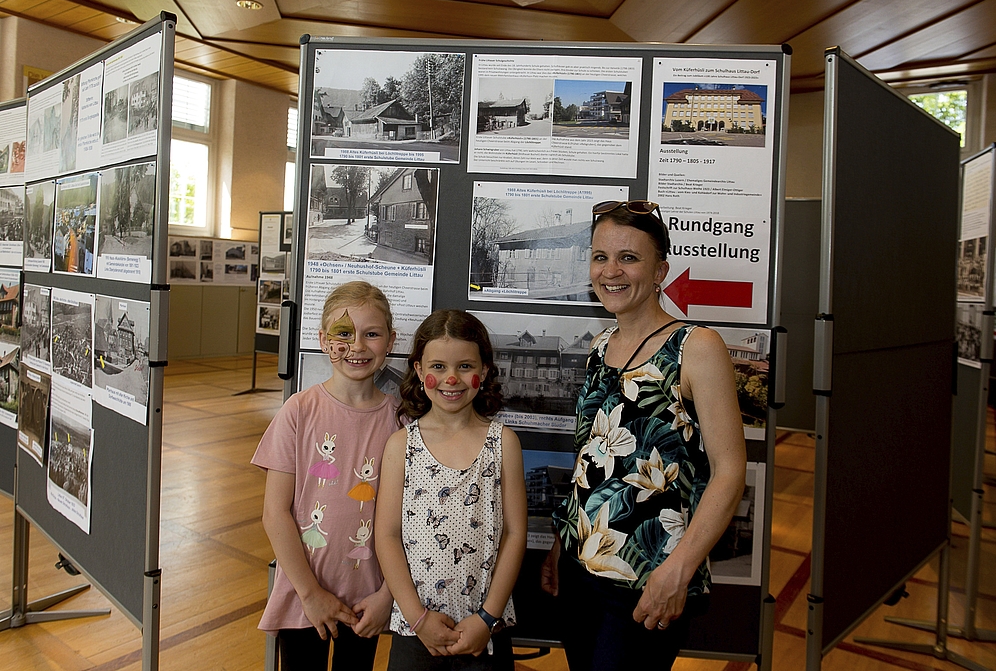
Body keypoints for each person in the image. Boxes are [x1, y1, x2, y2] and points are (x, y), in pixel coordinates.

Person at [541, 200, 748, 671]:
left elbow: (730, 471)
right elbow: (591, 460)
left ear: (660, 271)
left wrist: (679, 570)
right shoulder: (600, 346)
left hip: (647, 576)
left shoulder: (696, 347)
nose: (610, 271)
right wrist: (562, 542)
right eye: (600, 257)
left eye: (629, 258)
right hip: (580, 569)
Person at [252, 281, 399, 671]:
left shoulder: (402, 422)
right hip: (304, 597)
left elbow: (406, 519)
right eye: (344, 334)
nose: (357, 346)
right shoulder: (298, 411)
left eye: (372, 334)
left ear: (390, 341)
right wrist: (310, 592)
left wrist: (388, 595)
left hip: (367, 601)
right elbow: (275, 512)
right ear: (322, 340)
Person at [376, 309, 527, 671]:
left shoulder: (503, 443)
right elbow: (387, 536)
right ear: (417, 369)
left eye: (464, 366)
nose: (451, 379)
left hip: (485, 629)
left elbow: (515, 534)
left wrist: (487, 618)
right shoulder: (401, 446)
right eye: (438, 366)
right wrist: (419, 619)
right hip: (417, 631)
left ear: (485, 370)